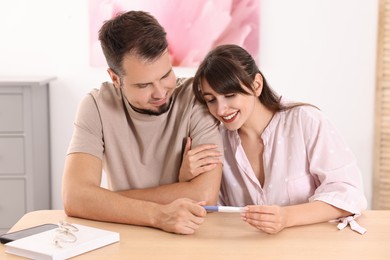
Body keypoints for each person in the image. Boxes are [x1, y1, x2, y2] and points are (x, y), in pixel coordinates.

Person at [62, 10, 224, 235]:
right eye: (143, 85)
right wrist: (158, 215)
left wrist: (103, 201)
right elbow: (75, 198)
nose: (160, 93)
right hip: (125, 236)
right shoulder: (96, 106)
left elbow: (204, 195)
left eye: (166, 75)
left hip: (190, 234)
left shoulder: (195, 97)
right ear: (115, 78)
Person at [182, 44, 367, 234]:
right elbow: (208, 210)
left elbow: (348, 194)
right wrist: (185, 178)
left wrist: (286, 217)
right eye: (211, 100)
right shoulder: (217, 142)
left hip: (311, 247)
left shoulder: (305, 121)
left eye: (230, 95)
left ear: (256, 85)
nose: (220, 110)